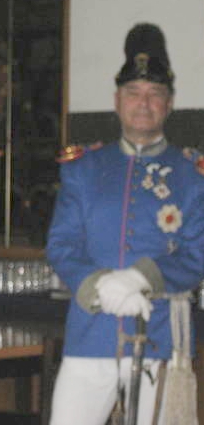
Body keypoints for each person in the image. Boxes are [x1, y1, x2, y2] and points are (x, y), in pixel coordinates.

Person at [46, 23, 204, 425]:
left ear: (170, 104)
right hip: (89, 335)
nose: (143, 103)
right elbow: (62, 245)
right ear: (117, 101)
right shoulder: (83, 168)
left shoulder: (191, 174)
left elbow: (197, 254)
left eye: (155, 93)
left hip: (160, 338)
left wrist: (139, 278)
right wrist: (100, 286)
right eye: (133, 92)